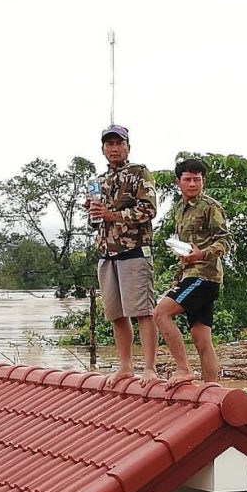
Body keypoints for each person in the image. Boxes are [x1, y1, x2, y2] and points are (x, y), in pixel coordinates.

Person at [88, 124, 158, 386]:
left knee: (142, 311)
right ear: (103, 149)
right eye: (109, 144)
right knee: (116, 314)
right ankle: (125, 366)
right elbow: (94, 222)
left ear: (128, 146)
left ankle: (149, 368)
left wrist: (112, 215)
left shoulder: (140, 173)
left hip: (134, 251)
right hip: (106, 253)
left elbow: (148, 211)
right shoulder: (98, 181)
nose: (114, 148)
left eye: (119, 143)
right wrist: (93, 212)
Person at [153, 158, 231, 387]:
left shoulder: (210, 206)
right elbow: (185, 247)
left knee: (161, 314)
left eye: (197, 179)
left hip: (204, 276)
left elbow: (225, 240)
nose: (193, 183)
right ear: (179, 182)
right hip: (190, 275)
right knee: (201, 339)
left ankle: (184, 369)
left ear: (203, 181)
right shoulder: (179, 209)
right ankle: (211, 388)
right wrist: (181, 268)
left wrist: (201, 254)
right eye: (187, 179)